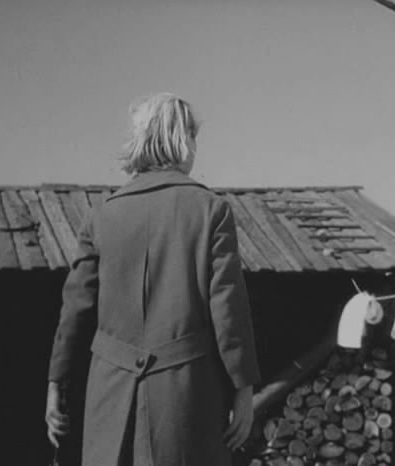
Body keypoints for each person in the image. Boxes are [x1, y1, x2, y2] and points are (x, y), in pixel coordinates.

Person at [45, 92, 261, 466]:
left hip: (109, 398)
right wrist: (244, 389)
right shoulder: (211, 211)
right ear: (181, 139)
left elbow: (75, 312)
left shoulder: (100, 216)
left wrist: (55, 383)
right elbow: (228, 309)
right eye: (193, 137)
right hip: (185, 399)